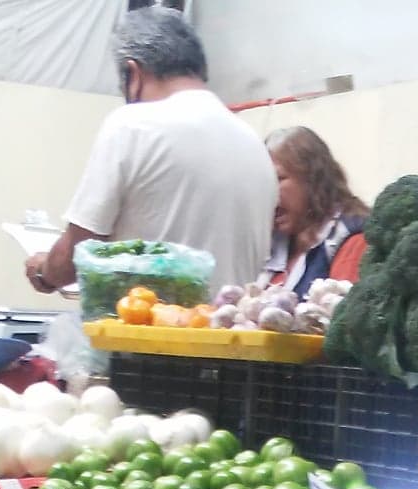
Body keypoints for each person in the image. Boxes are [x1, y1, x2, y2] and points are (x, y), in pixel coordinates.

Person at [26, 10, 275, 296]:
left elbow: (77, 255)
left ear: (133, 73)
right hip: (231, 334)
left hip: (151, 335)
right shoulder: (253, 143)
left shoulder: (132, 125)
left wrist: (44, 269)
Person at [263, 126, 369, 297]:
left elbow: (343, 317)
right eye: (264, 182)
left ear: (312, 179)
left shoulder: (353, 240)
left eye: (278, 179)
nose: (268, 193)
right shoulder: (274, 247)